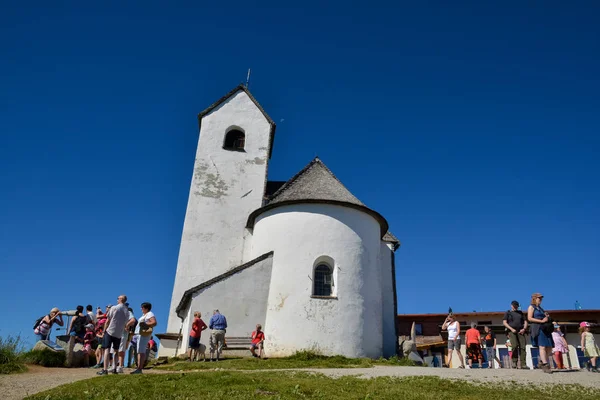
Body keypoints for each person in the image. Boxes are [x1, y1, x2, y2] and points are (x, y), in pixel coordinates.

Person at [97, 295, 135, 376]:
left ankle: (105, 369)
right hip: (119, 333)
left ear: (121, 299)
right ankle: (114, 368)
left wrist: (104, 331)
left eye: (118, 298)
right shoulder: (127, 311)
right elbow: (129, 321)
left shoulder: (114, 308)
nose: (117, 299)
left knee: (107, 349)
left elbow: (108, 320)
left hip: (110, 331)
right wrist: (126, 326)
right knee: (116, 351)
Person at [527, 293, 554, 373]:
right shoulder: (531, 307)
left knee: (549, 347)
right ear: (534, 298)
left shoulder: (541, 308)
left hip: (545, 328)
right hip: (538, 328)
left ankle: (542, 362)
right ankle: (545, 365)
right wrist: (541, 321)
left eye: (541, 298)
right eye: (539, 298)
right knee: (542, 346)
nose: (540, 299)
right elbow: (529, 318)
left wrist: (546, 317)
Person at [130, 302, 157, 374]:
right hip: (139, 334)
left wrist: (145, 324)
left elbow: (154, 322)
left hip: (143, 334)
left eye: (142, 307)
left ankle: (139, 368)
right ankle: (139, 368)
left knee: (141, 352)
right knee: (139, 351)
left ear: (146, 308)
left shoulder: (150, 314)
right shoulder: (145, 315)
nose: (141, 309)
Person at [503, 300, 528, 369]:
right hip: (512, 331)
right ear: (511, 305)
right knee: (514, 346)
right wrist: (511, 329)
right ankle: (514, 362)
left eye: (516, 306)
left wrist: (524, 329)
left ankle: (523, 364)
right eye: (514, 306)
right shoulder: (508, 313)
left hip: (521, 331)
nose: (515, 307)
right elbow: (504, 322)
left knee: (523, 347)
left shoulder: (521, 313)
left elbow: (525, 321)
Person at [116, 307, 136, 373]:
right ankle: (119, 364)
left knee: (122, 349)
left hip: (128, 336)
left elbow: (133, 328)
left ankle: (121, 365)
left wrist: (127, 326)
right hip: (126, 335)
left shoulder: (131, 318)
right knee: (121, 349)